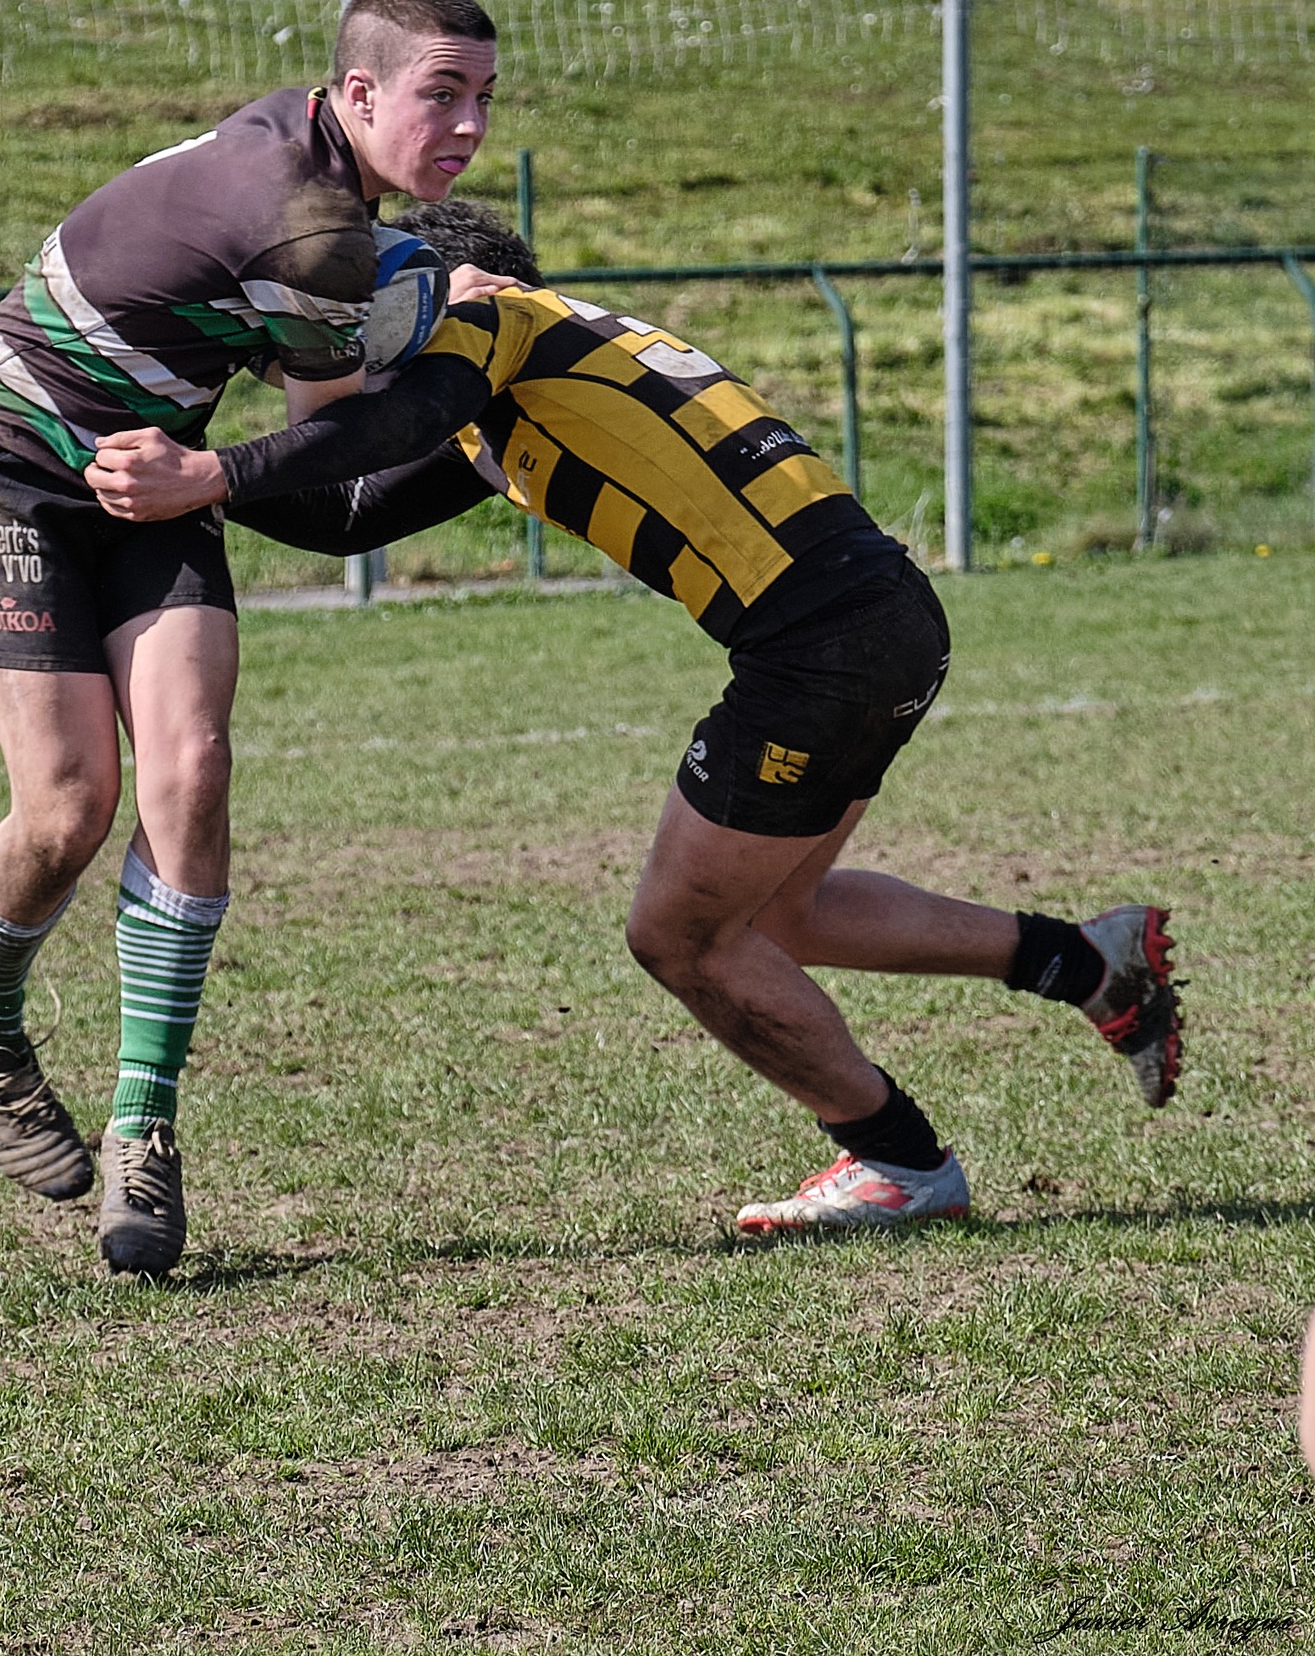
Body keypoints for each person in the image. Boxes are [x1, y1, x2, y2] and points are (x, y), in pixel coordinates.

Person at [84, 198, 1185, 1232]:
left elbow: (383, 428)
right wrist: (196, 483)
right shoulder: (526, 378)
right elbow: (347, 514)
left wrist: (214, 465)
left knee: (680, 935)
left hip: (818, 645)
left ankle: (895, 1159)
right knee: (781, 914)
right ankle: (1083, 962)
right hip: (877, 616)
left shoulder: (490, 314)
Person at [0, 0, 510, 1276]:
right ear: (357, 94)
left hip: (154, 469)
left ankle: (145, 1126)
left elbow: (326, 481)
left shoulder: (312, 167)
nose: (468, 124)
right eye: (440, 94)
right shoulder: (314, 230)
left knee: (190, 769)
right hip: (8, 469)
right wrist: (461, 376)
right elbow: (343, 462)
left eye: (483, 96)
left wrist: (428, 435)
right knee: (70, 806)